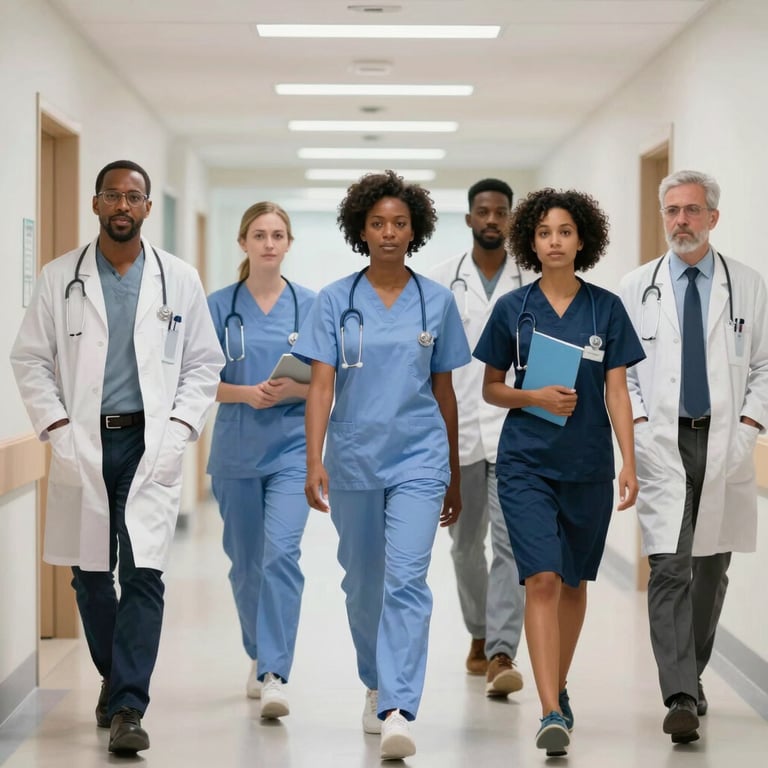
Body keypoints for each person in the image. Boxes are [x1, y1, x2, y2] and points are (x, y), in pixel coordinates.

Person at [10, 160, 224, 755]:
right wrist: (55, 424)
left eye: (134, 196)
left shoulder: (178, 278)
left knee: (145, 571)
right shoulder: (61, 278)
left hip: (149, 440)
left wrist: (180, 426)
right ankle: (113, 677)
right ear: (96, 204)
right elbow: (29, 358)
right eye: (113, 195)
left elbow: (205, 361)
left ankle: (129, 704)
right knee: (89, 575)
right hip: (84, 438)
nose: (123, 205)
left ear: (148, 208)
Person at [292, 170, 471, 760]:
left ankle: (398, 705)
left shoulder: (436, 301)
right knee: (362, 581)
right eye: (378, 223)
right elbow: (321, 387)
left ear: (414, 229)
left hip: (420, 457)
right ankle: (375, 680)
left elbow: (444, 392)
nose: (389, 233)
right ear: (360, 230)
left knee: (407, 580)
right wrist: (314, 459)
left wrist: (454, 468)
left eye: (399, 223)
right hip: (354, 456)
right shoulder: (334, 300)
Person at [473, 188, 644, 756]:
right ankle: (550, 709)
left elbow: (618, 391)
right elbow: (492, 387)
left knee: (573, 583)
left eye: (564, 232)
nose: (554, 241)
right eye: (544, 232)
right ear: (532, 241)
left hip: (589, 464)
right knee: (541, 577)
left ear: (582, 240)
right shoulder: (513, 309)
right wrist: (534, 396)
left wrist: (629, 462)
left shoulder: (605, 309)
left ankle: (557, 683)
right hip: (526, 463)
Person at [618, 170, 768, 745]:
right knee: (669, 565)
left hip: (725, 439)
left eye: (691, 210)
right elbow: (622, 372)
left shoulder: (747, 285)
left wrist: (751, 423)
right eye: (672, 211)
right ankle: (679, 692)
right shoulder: (637, 286)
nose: (680, 221)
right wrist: (635, 424)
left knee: (712, 567)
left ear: (713, 218)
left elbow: (762, 364)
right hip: (662, 440)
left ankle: (693, 672)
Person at [206, 202, 316, 719]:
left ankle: (275, 671)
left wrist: (296, 388)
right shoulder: (216, 306)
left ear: (289, 243)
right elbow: (196, 379)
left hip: (293, 450)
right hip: (236, 451)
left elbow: (330, 379)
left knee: (282, 557)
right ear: (243, 243)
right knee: (246, 566)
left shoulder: (311, 306)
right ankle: (258, 650)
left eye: (277, 235)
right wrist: (245, 393)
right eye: (259, 234)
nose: (269, 243)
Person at [428, 178, 527, 695]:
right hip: (459, 430)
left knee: (511, 546)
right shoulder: (441, 282)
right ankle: (480, 630)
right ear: (468, 219)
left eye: (501, 212)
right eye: (483, 212)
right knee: (466, 546)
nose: (492, 220)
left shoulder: (530, 280)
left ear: (511, 219)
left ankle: (502, 650)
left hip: (516, 434)